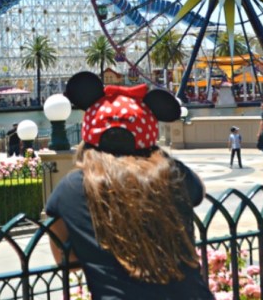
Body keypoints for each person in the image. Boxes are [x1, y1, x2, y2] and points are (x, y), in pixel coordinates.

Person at [46, 72, 213, 300]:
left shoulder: (72, 188)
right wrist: (156, 154)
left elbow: (66, 260)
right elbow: (199, 191)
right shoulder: (172, 174)